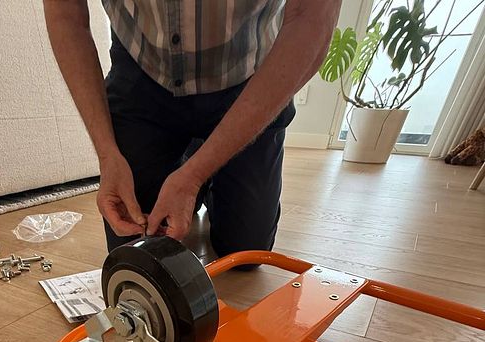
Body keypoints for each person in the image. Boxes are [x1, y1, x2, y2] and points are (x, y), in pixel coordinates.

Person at [44, 1, 340, 259]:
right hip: (144, 72)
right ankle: (192, 166)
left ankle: (206, 168)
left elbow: (311, 21)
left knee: (247, 252)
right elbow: (66, 15)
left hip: (247, 73)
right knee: (135, 241)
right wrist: (108, 156)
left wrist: (194, 175)